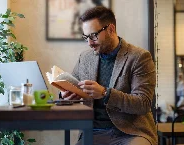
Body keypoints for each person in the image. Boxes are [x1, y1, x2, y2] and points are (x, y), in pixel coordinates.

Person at [62, 6, 157, 145]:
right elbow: (73, 84)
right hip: (93, 131)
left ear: (111, 29)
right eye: (86, 37)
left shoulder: (139, 57)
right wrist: (66, 94)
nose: (89, 43)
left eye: (93, 36)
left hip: (130, 133)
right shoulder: (85, 57)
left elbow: (143, 104)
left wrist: (105, 93)